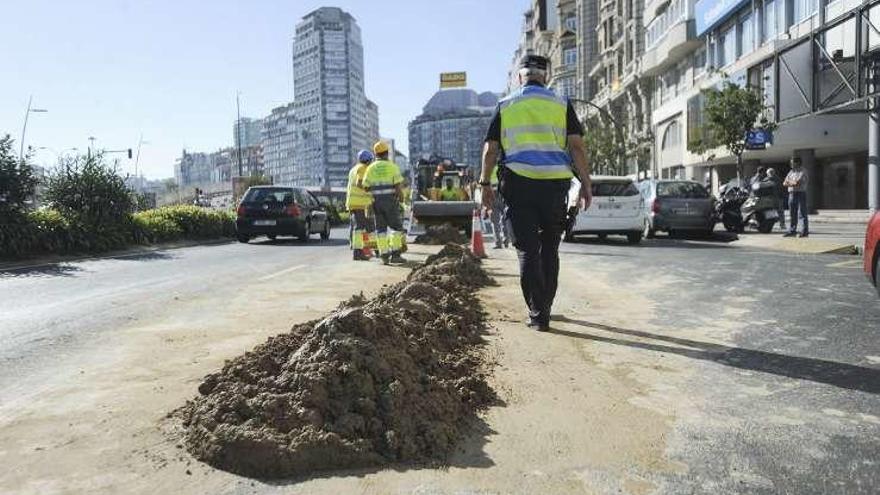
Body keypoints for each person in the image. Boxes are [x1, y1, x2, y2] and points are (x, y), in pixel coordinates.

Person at [480, 54, 593, 332]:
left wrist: (484, 184)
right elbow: (576, 147)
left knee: (528, 251)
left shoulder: (505, 105)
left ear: (520, 77)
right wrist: (587, 184)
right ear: (547, 76)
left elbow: (491, 150)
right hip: (555, 187)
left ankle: (537, 313)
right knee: (550, 248)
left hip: (518, 186)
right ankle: (547, 306)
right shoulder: (561, 103)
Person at [363, 140, 406, 264]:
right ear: (387, 153)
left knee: (380, 230)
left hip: (376, 202)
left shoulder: (370, 168)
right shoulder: (392, 166)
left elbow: (365, 187)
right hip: (390, 202)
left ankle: (384, 255)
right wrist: (401, 199)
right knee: (396, 228)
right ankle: (396, 254)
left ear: (375, 154)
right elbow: (398, 187)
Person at [345, 150, 374, 261]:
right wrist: (370, 189)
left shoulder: (353, 169)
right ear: (369, 160)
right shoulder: (363, 168)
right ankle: (359, 252)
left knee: (359, 227)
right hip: (361, 203)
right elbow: (359, 183)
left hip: (353, 203)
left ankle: (361, 250)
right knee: (362, 228)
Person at [783, 157, 809, 237]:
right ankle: (792, 230)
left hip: (800, 193)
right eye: (790, 162)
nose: (791, 164)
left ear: (798, 163)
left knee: (802, 213)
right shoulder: (791, 172)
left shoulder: (803, 171)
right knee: (792, 213)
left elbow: (797, 183)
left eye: (792, 162)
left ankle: (804, 231)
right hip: (791, 193)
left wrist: (789, 183)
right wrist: (791, 183)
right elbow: (784, 183)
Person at [489, 165, 509, 249]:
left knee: (495, 221)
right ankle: (506, 240)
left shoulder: (488, 167)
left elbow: (484, 183)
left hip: (494, 195)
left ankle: (498, 242)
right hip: (503, 194)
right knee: (504, 219)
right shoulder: (504, 166)